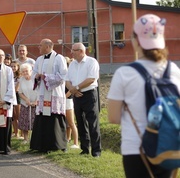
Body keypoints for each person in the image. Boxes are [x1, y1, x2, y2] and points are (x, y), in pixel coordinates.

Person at [107, 14, 180, 177]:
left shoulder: (124, 73)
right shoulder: (174, 70)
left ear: (135, 40)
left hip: (136, 148)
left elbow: (113, 117)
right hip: (169, 146)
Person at [30, 38, 67, 153]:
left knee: (55, 118)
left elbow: (63, 75)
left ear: (47, 46)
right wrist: (37, 76)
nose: (38, 47)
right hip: (42, 93)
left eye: (40, 45)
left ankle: (58, 144)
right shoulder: (39, 59)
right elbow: (33, 73)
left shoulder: (59, 58)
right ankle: (42, 146)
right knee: (42, 119)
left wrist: (46, 77)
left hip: (54, 93)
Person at [65, 42, 101, 157]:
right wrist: (72, 90)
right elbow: (66, 80)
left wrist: (76, 88)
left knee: (92, 122)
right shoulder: (72, 64)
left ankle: (96, 151)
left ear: (81, 51)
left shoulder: (91, 62)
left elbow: (91, 79)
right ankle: (84, 149)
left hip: (89, 94)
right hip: (77, 95)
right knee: (80, 122)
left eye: (74, 50)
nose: (71, 52)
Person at [18, 63, 37, 144]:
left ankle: (34, 139)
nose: (25, 73)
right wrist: (26, 99)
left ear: (31, 71)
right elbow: (20, 92)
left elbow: (40, 91)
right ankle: (25, 139)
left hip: (36, 103)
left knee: (34, 122)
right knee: (25, 121)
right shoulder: (21, 80)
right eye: (23, 71)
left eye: (27, 71)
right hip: (25, 103)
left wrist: (36, 101)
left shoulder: (35, 79)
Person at [64, 57, 79, 149]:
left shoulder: (69, 75)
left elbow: (71, 89)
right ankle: (67, 138)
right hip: (62, 100)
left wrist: (63, 97)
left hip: (67, 100)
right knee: (65, 122)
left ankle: (76, 143)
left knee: (71, 122)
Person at [10, 61, 21, 138]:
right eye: (12, 66)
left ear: (17, 67)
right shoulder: (9, 76)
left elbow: (17, 89)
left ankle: (22, 133)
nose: (13, 68)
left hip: (17, 96)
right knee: (13, 116)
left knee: (18, 115)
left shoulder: (19, 77)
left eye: (14, 66)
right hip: (10, 95)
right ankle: (16, 132)